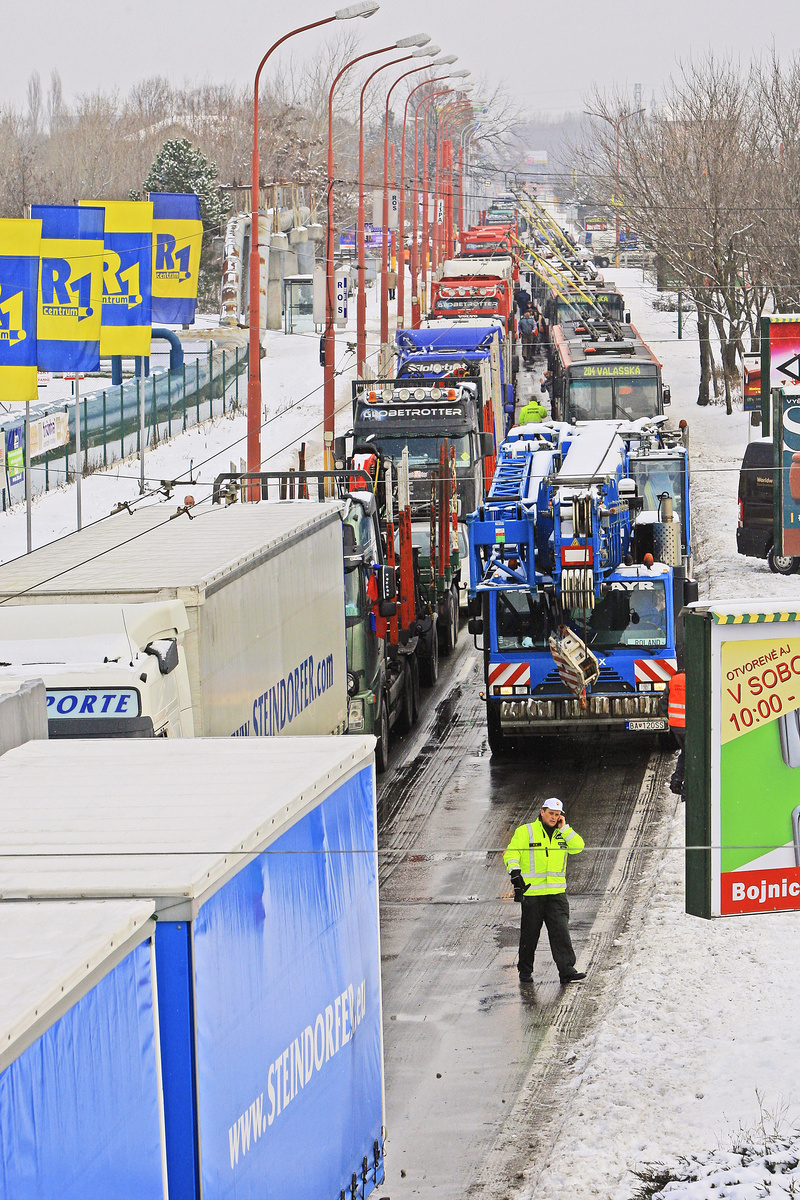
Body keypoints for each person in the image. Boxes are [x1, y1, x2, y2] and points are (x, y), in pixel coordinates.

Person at [503, 798, 586, 984]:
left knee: (561, 933)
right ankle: (525, 971)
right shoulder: (526, 831)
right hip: (533, 894)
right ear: (542, 812)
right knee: (529, 935)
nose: (554, 817)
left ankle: (567, 971)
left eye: (557, 815)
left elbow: (579, 847)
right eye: (551, 814)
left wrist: (565, 828)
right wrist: (515, 872)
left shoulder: (563, 833)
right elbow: (511, 853)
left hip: (556, 894)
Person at [667, 667, 686, 797]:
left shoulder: (673, 680)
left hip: (675, 725)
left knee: (686, 753)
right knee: (689, 755)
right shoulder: (694, 680)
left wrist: (672, 718)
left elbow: (664, 702)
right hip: (688, 726)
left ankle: (677, 780)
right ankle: (681, 783)